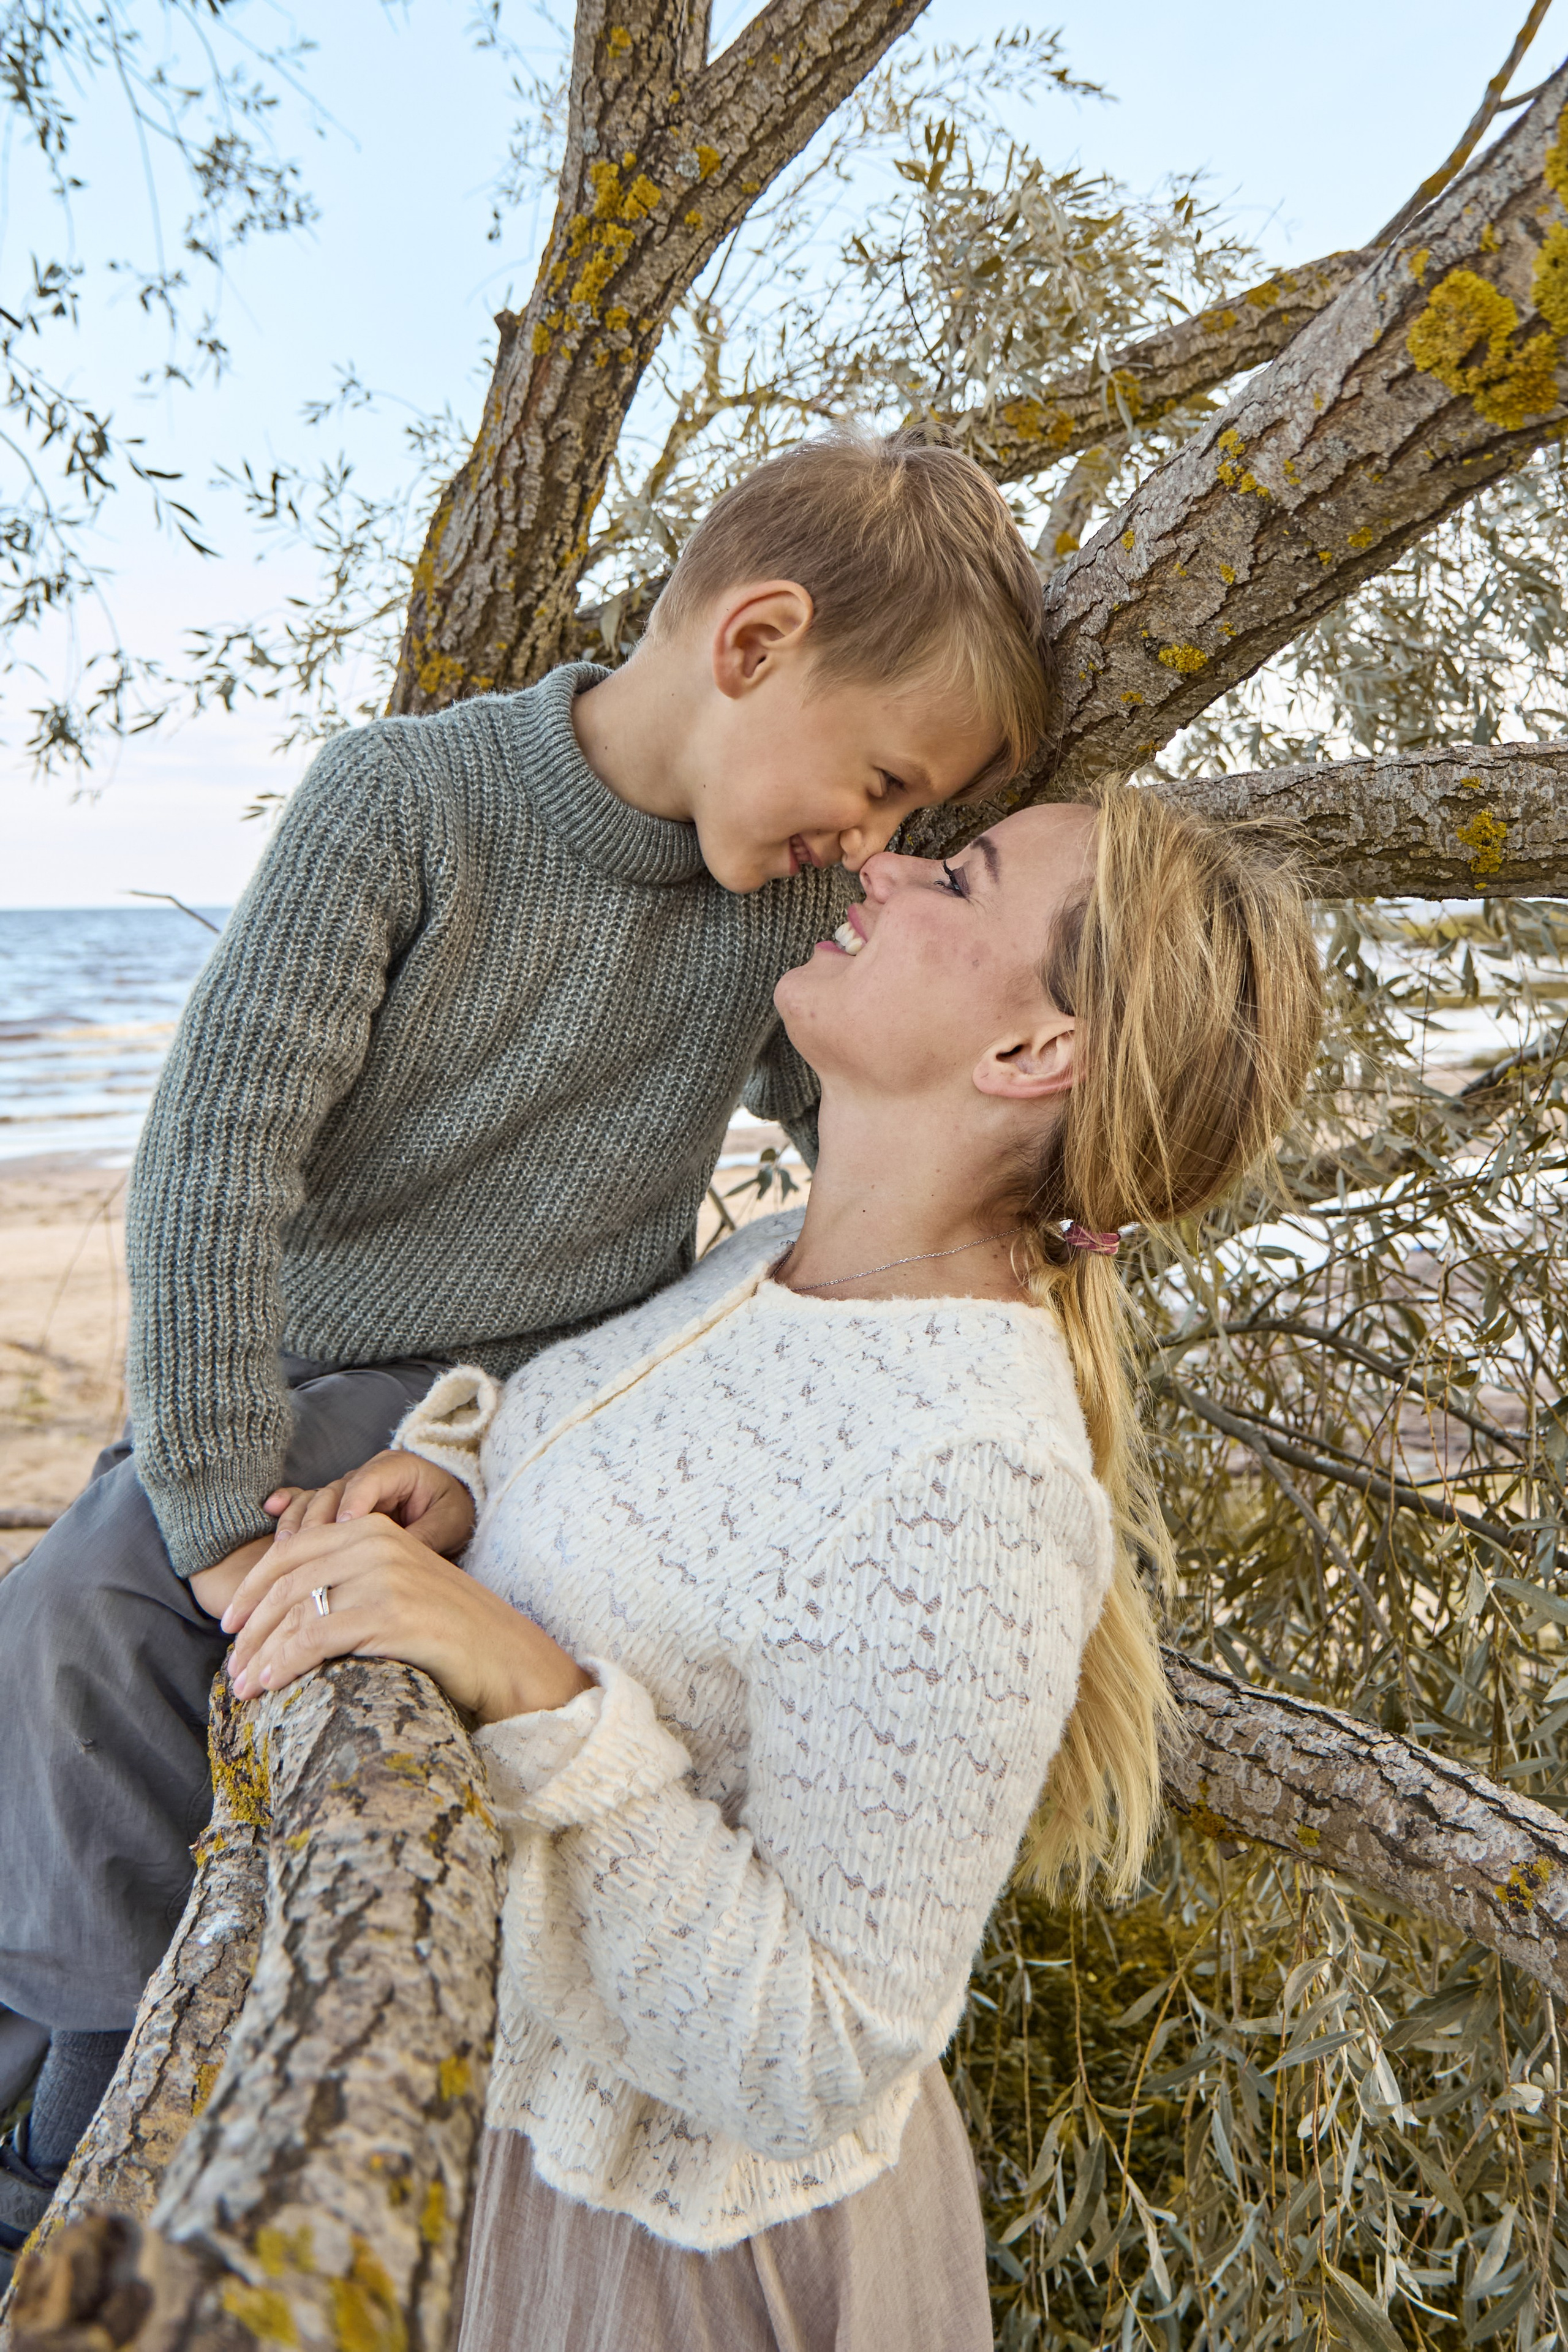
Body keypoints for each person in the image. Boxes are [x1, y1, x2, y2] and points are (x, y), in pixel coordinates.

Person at [0, 426, 1054, 2269]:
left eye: (914, 824)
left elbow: (875, 1136)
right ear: (752, 642)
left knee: (87, 1623)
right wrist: (217, 1508)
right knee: (89, 1609)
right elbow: (217, 1150)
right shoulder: (406, 802)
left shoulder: (781, 903)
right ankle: (47, 2029)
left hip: (528, 1410)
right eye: (882, 783)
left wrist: (1045, 1215)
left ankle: (76, 2135)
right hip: (305, 1378)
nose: (874, 847)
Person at [209, 785, 1322, 2350]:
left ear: (1030, 1053)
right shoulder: (781, 1261)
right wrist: (467, 1469)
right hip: (493, 2123)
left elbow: (816, 2050)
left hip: (651, 2250)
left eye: (960, 879)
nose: (887, 866)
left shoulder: (973, 1480)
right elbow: (666, 1488)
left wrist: (531, 1687)